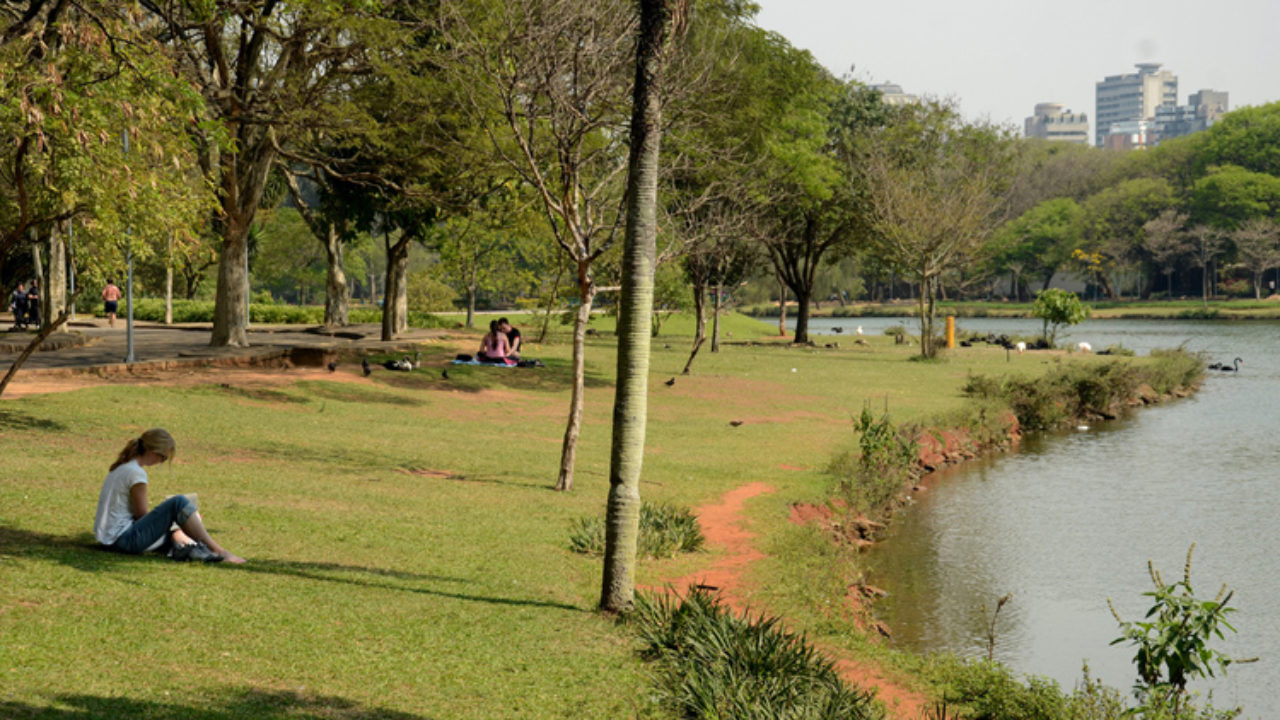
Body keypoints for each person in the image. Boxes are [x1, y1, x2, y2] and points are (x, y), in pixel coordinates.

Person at [93, 428, 245, 564]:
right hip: (123, 540)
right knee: (179, 503)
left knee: (180, 517)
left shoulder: (122, 467)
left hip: (110, 539)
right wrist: (175, 520)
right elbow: (141, 515)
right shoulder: (136, 474)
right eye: (163, 458)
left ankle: (185, 546)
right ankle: (218, 551)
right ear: (154, 452)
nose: (161, 462)